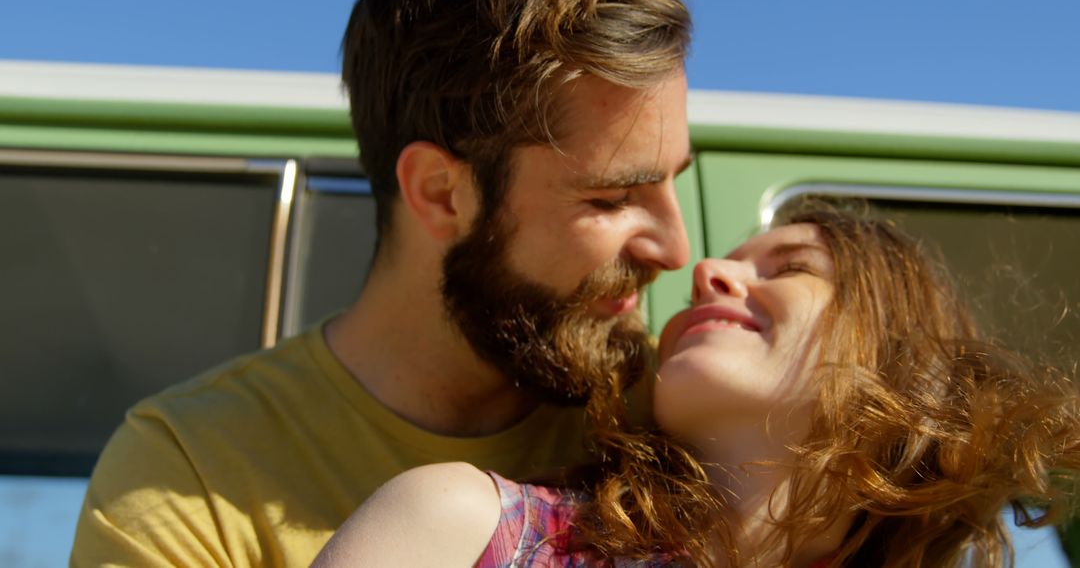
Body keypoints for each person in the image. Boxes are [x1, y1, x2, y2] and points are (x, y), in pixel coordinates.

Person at [71, 0, 693, 565]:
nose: (676, 248)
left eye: (674, 180)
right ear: (440, 193)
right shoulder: (193, 475)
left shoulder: (689, 416)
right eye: (612, 198)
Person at [312, 204, 1080, 567]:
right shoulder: (463, 529)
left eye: (790, 269)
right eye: (727, 264)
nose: (706, 272)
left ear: (902, 366)